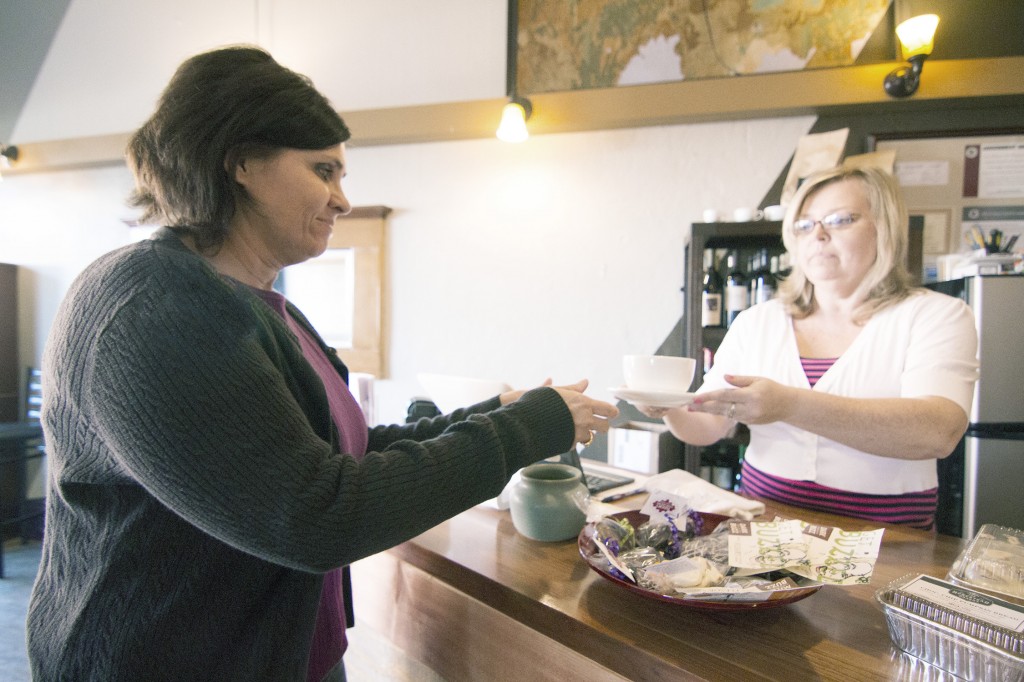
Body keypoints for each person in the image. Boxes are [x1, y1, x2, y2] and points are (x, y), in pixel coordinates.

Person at [26, 45, 618, 681]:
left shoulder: (257, 303)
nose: (342, 199)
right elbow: (317, 516)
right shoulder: (155, 311)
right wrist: (523, 429)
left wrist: (493, 415)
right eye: (323, 170)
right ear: (241, 162)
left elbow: (333, 453)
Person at [644, 165, 978, 530]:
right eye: (804, 225)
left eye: (839, 220)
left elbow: (937, 432)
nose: (818, 235)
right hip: (762, 528)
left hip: (889, 541)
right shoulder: (758, 322)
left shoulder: (936, 315)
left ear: (884, 227)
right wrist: (670, 408)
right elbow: (709, 426)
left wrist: (788, 405)